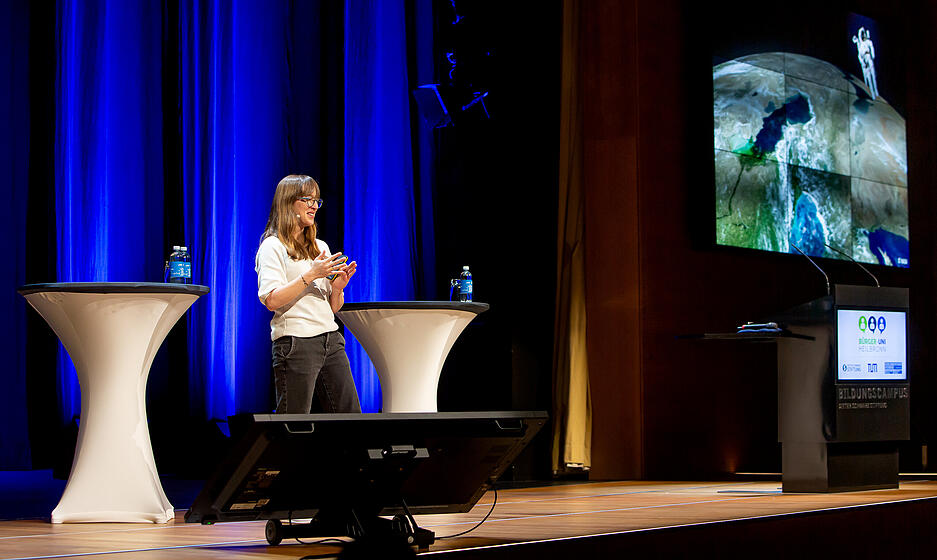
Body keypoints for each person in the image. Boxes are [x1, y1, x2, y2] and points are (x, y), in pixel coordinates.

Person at [255, 174, 361, 413]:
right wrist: (310, 275)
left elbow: (332, 308)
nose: (314, 206)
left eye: (317, 201)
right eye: (307, 199)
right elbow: (271, 300)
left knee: (350, 417)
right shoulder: (273, 247)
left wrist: (337, 288)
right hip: (295, 342)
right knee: (294, 422)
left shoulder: (320, 247)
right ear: (288, 203)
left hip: (331, 341)